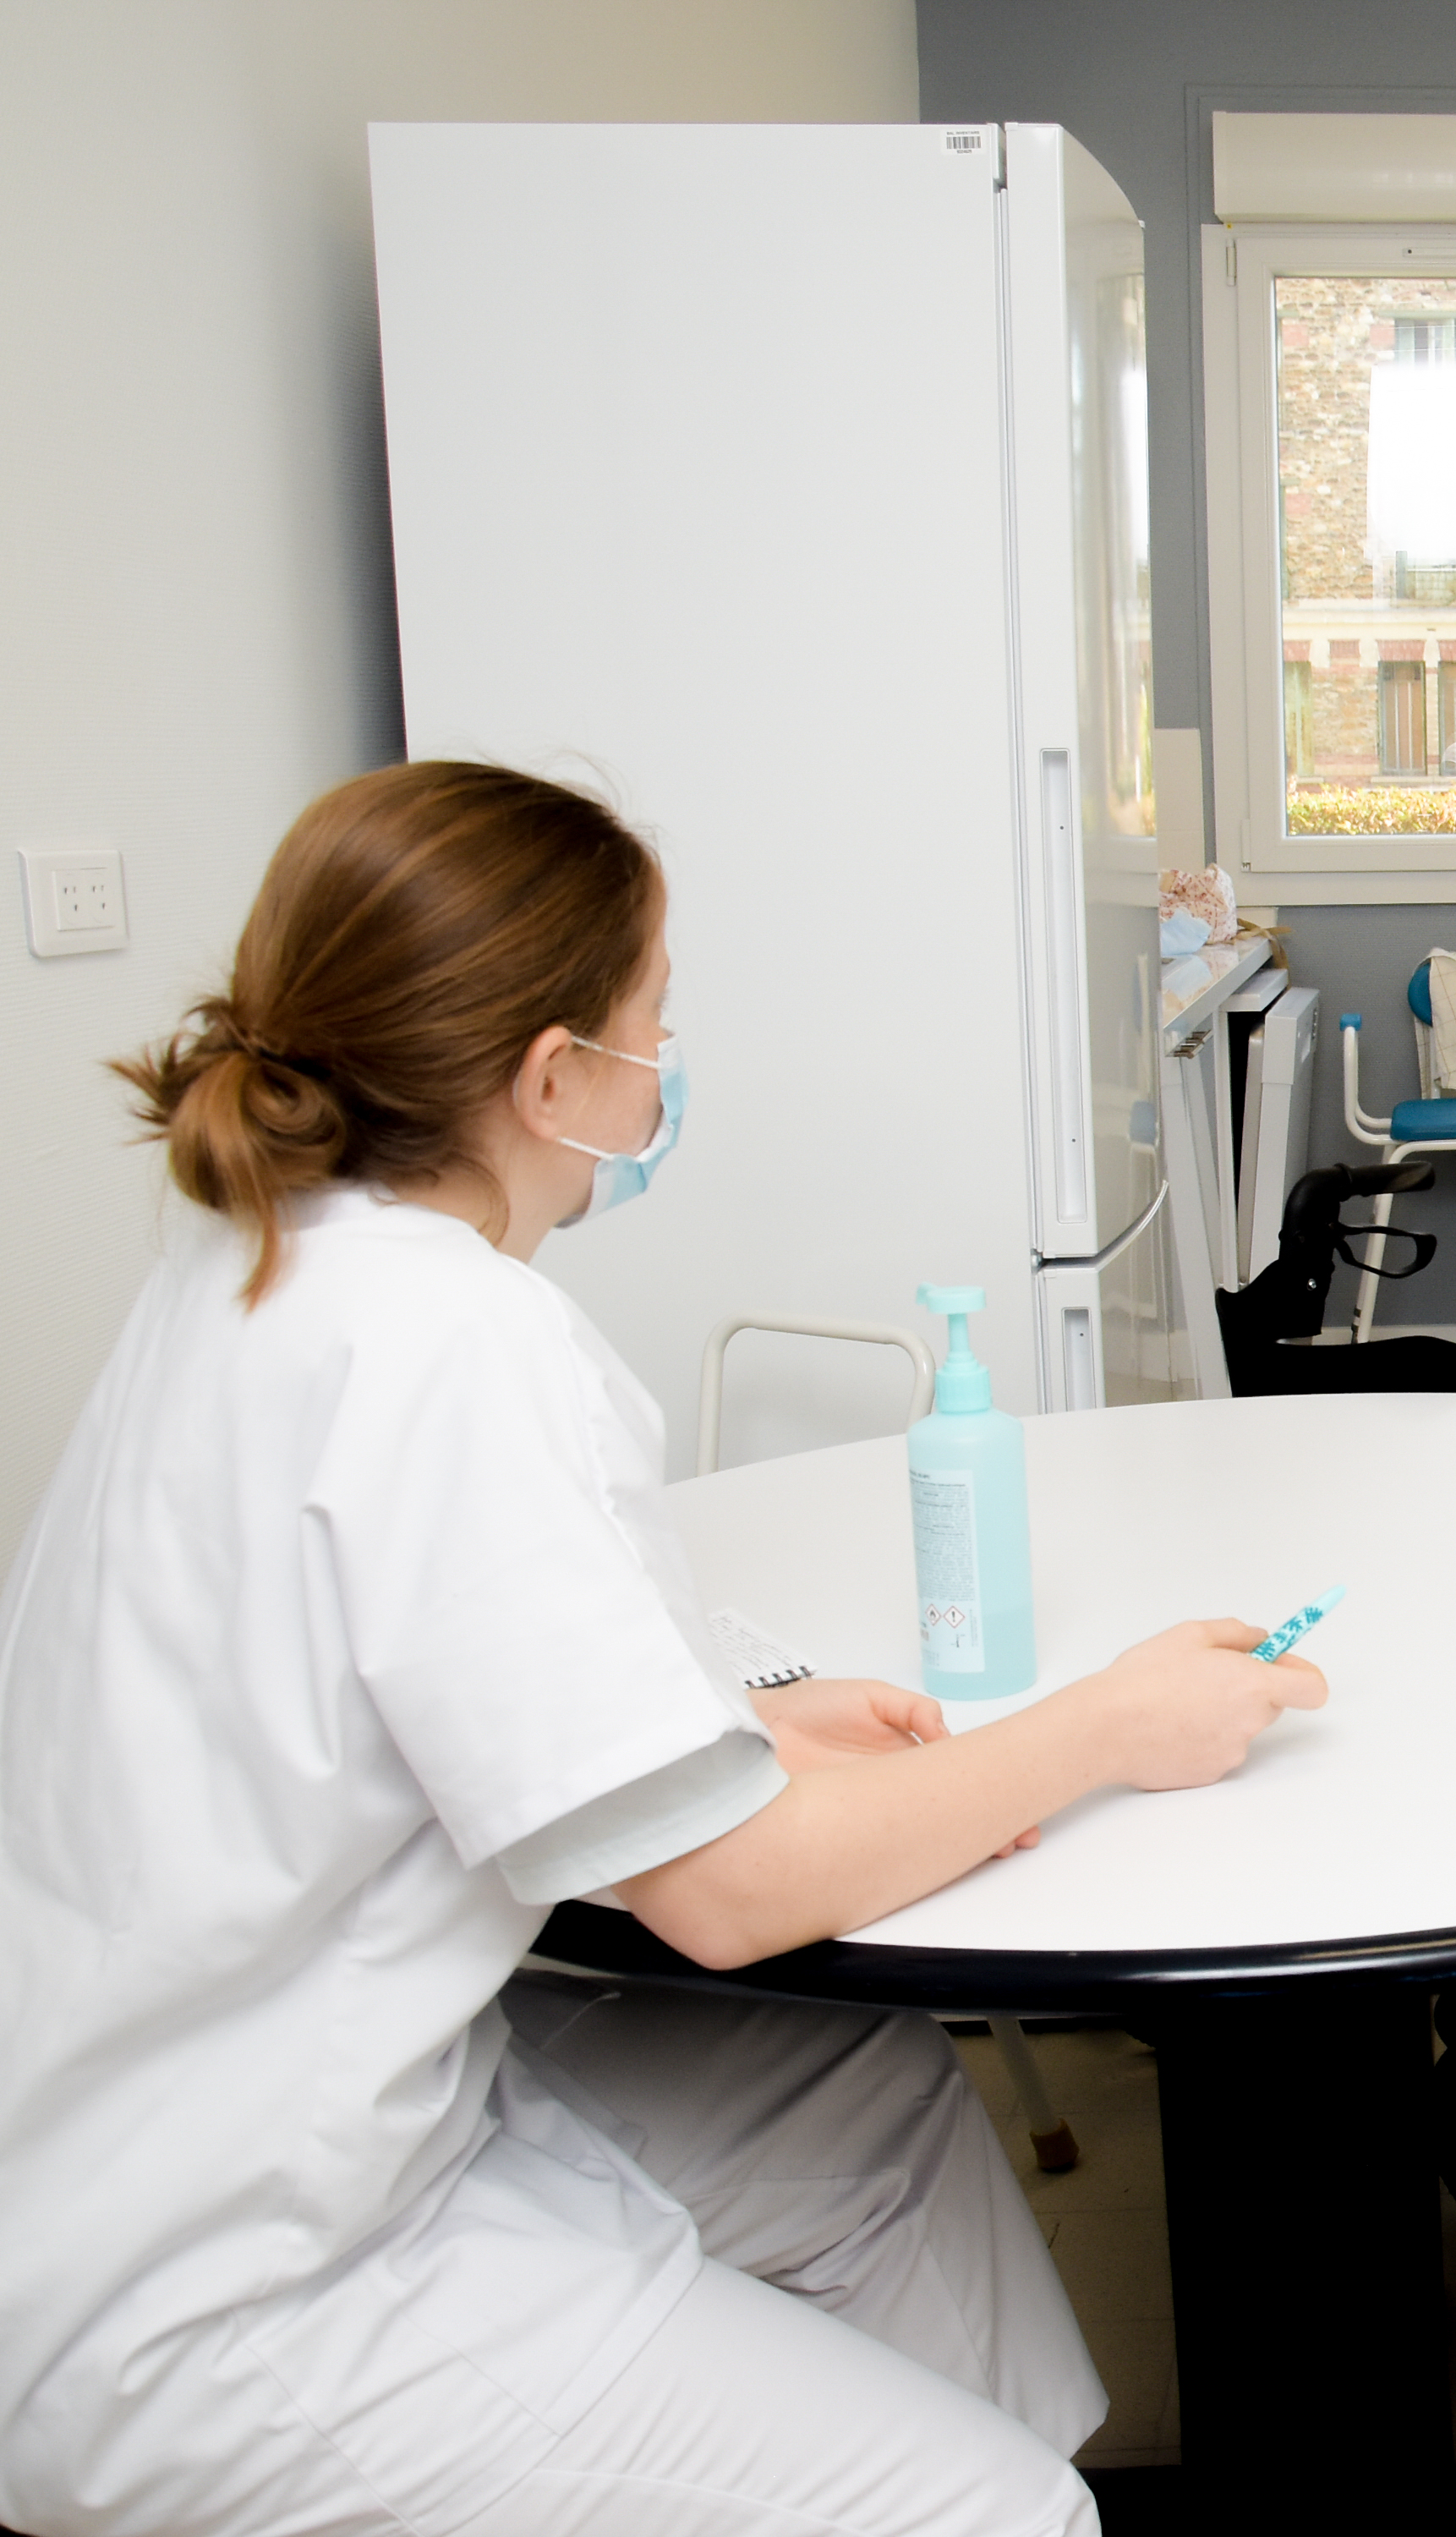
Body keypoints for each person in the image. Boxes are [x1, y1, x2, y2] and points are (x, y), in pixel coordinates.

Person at [0, 763, 1327, 2537]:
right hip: (241, 2296)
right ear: (556, 1079)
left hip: (142, 2154)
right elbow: (721, 1902)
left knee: (858, 2095)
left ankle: (999, 2482)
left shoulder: (262, 1265)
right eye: (654, 1029)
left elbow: (414, 1693)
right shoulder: (455, 1342)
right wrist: (1108, 1722)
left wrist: (744, 1721)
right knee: (988, 2517)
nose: (664, 1066)